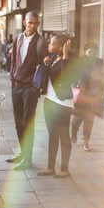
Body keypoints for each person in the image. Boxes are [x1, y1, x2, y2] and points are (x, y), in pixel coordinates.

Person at [8, 11, 49, 171]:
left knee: (27, 123)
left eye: (36, 23)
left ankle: (28, 159)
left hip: (30, 89)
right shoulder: (17, 38)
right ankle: (23, 153)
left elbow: (46, 65)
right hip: (16, 87)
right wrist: (12, 79)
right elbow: (13, 61)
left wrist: (36, 87)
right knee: (18, 123)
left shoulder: (41, 42)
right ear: (24, 22)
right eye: (30, 22)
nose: (33, 26)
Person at [37, 35, 74, 178]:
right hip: (50, 101)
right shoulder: (52, 58)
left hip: (63, 103)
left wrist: (65, 53)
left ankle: (64, 169)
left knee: (63, 135)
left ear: (60, 47)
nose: (48, 46)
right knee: (52, 134)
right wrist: (46, 63)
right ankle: (50, 167)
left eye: (51, 44)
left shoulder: (70, 60)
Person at [71, 42, 104, 151]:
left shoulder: (100, 62)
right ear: (85, 51)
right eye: (90, 51)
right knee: (77, 118)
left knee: (89, 119)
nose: (92, 53)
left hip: (94, 95)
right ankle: (74, 131)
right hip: (83, 94)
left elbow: (103, 76)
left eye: (94, 51)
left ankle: (86, 141)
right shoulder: (79, 62)